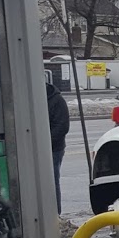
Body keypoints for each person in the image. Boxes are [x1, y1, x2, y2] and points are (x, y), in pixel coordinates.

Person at [47, 80, 70, 211]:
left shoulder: (57, 100)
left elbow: (62, 127)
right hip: (37, 148)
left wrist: (44, 142)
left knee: (52, 181)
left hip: (54, 149)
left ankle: (56, 212)